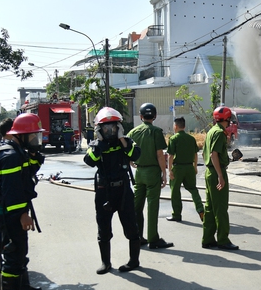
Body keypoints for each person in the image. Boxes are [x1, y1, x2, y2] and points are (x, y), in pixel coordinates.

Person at [0, 113, 46, 290]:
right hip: (12, 213)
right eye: (32, 136)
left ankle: (23, 288)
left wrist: (34, 155)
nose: (35, 140)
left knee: (20, 252)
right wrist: (22, 214)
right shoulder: (10, 156)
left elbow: (27, 174)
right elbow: (12, 191)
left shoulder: (16, 151)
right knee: (14, 254)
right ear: (20, 135)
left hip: (12, 211)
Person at [83, 107, 142, 274]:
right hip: (104, 192)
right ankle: (106, 263)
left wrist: (122, 139)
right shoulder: (95, 145)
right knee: (103, 229)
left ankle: (134, 261)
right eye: (106, 128)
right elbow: (89, 161)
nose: (110, 131)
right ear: (99, 129)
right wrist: (100, 144)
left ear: (119, 127)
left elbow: (135, 154)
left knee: (131, 226)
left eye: (114, 127)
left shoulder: (126, 142)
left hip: (123, 191)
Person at [127, 103, 173, 250]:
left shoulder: (133, 132)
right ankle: (153, 239)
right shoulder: (156, 132)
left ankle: (138, 237)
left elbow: (127, 151)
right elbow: (160, 155)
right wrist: (164, 173)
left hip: (139, 173)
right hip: (152, 172)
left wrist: (131, 162)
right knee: (152, 206)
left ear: (141, 116)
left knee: (136, 206)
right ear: (155, 116)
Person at [202, 106, 239, 250]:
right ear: (228, 119)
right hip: (217, 172)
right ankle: (223, 240)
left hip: (209, 172)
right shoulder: (219, 133)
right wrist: (220, 176)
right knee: (221, 208)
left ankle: (208, 239)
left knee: (210, 208)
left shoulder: (212, 131)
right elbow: (214, 155)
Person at [166, 117, 204, 223]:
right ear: (184, 126)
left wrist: (169, 170)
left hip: (178, 168)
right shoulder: (191, 139)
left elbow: (170, 155)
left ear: (176, 126)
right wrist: (195, 166)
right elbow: (195, 154)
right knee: (193, 189)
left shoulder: (173, 139)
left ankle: (176, 214)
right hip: (189, 168)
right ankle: (200, 209)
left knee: (175, 192)